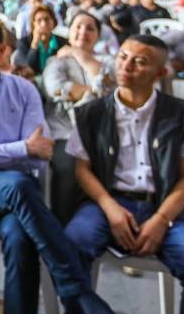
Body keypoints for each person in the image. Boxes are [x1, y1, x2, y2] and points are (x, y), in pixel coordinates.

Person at [0, 17, 112, 314]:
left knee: (20, 238)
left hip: (18, 199)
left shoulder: (25, 91)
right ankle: (75, 290)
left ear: (1, 48)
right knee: (17, 185)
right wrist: (20, 148)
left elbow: (39, 152)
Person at [65, 35, 184, 314]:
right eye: (122, 57)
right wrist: (111, 209)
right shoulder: (91, 114)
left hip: (167, 207)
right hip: (106, 203)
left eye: (139, 61)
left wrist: (160, 219)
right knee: (70, 247)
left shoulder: (181, 115)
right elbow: (82, 170)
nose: (126, 66)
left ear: (159, 73)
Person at [42, 11, 115, 224]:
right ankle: (61, 228)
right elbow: (56, 89)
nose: (83, 32)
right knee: (68, 167)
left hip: (102, 132)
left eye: (90, 28)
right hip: (64, 131)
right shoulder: (56, 61)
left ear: (98, 35)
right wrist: (95, 90)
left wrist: (81, 56)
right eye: (78, 27)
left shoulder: (109, 61)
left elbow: (115, 93)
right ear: (70, 31)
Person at [15, 5, 67, 75]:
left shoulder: (63, 42)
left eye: (47, 19)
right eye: (39, 20)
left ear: (53, 21)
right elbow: (26, 67)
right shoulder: (23, 42)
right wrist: (34, 45)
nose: (43, 24)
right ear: (33, 23)